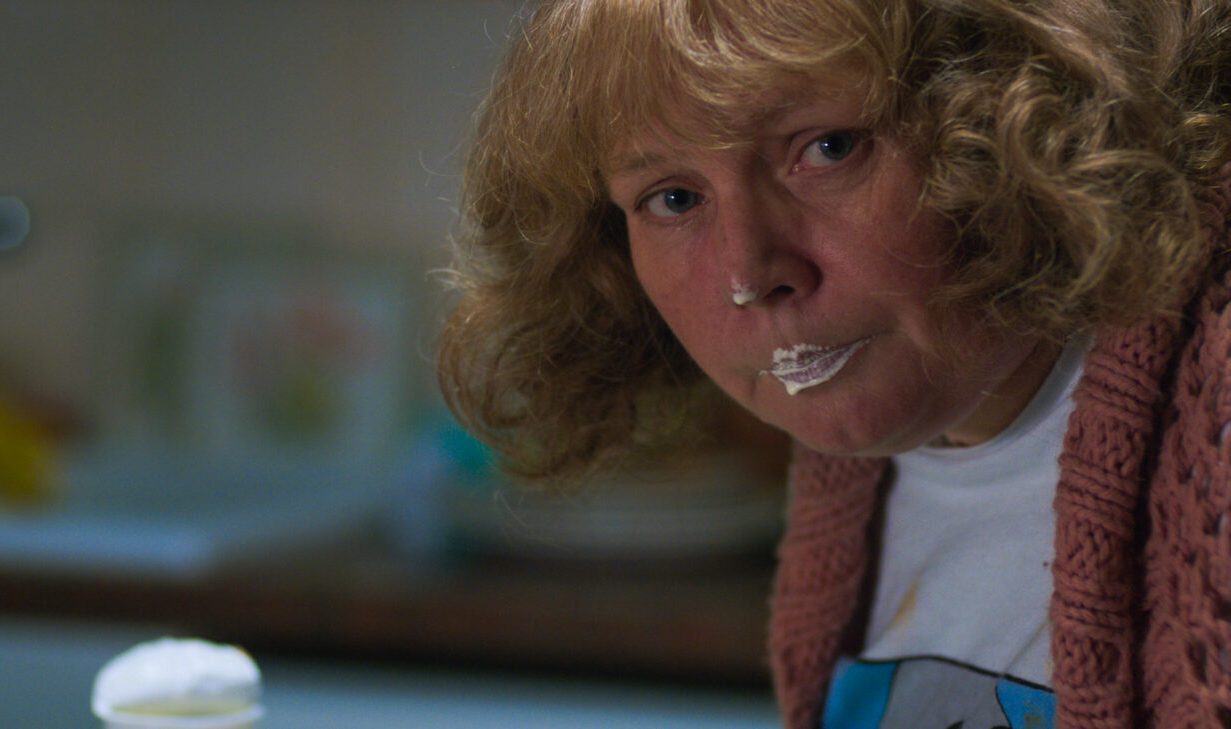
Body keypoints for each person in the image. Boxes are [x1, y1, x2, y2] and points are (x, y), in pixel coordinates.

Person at [435, 1, 1231, 727]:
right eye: (674, 199)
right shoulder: (855, 493)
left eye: (827, 149)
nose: (750, 272)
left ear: (1011, 111)